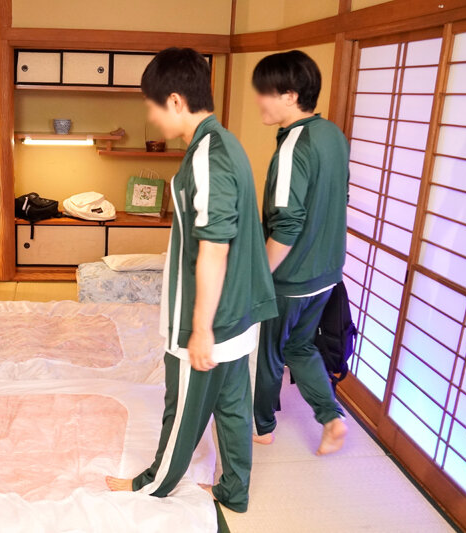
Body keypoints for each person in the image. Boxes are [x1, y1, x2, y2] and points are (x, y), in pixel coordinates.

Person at [105, 47, 278, 513]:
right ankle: (234, 490)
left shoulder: (207, 157)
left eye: (152, 106)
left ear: (176, 101)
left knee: (182, 407)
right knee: (232, 406)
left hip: (213, 317)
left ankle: (153, 484)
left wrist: (200, 328)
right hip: (239, 311)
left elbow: (215, 248)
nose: (151, 116)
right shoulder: (226, 143)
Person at [250, 50, 349, 455]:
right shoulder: (332, 134)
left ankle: (262, 427)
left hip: (291, 277)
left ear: (289, 95)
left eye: (264, 92)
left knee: (269, 353)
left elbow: (287, 224)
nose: (259, 99)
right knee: (299, 346)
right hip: (326, 272)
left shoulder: (294, 145)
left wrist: (259, 279)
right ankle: (331, 417)